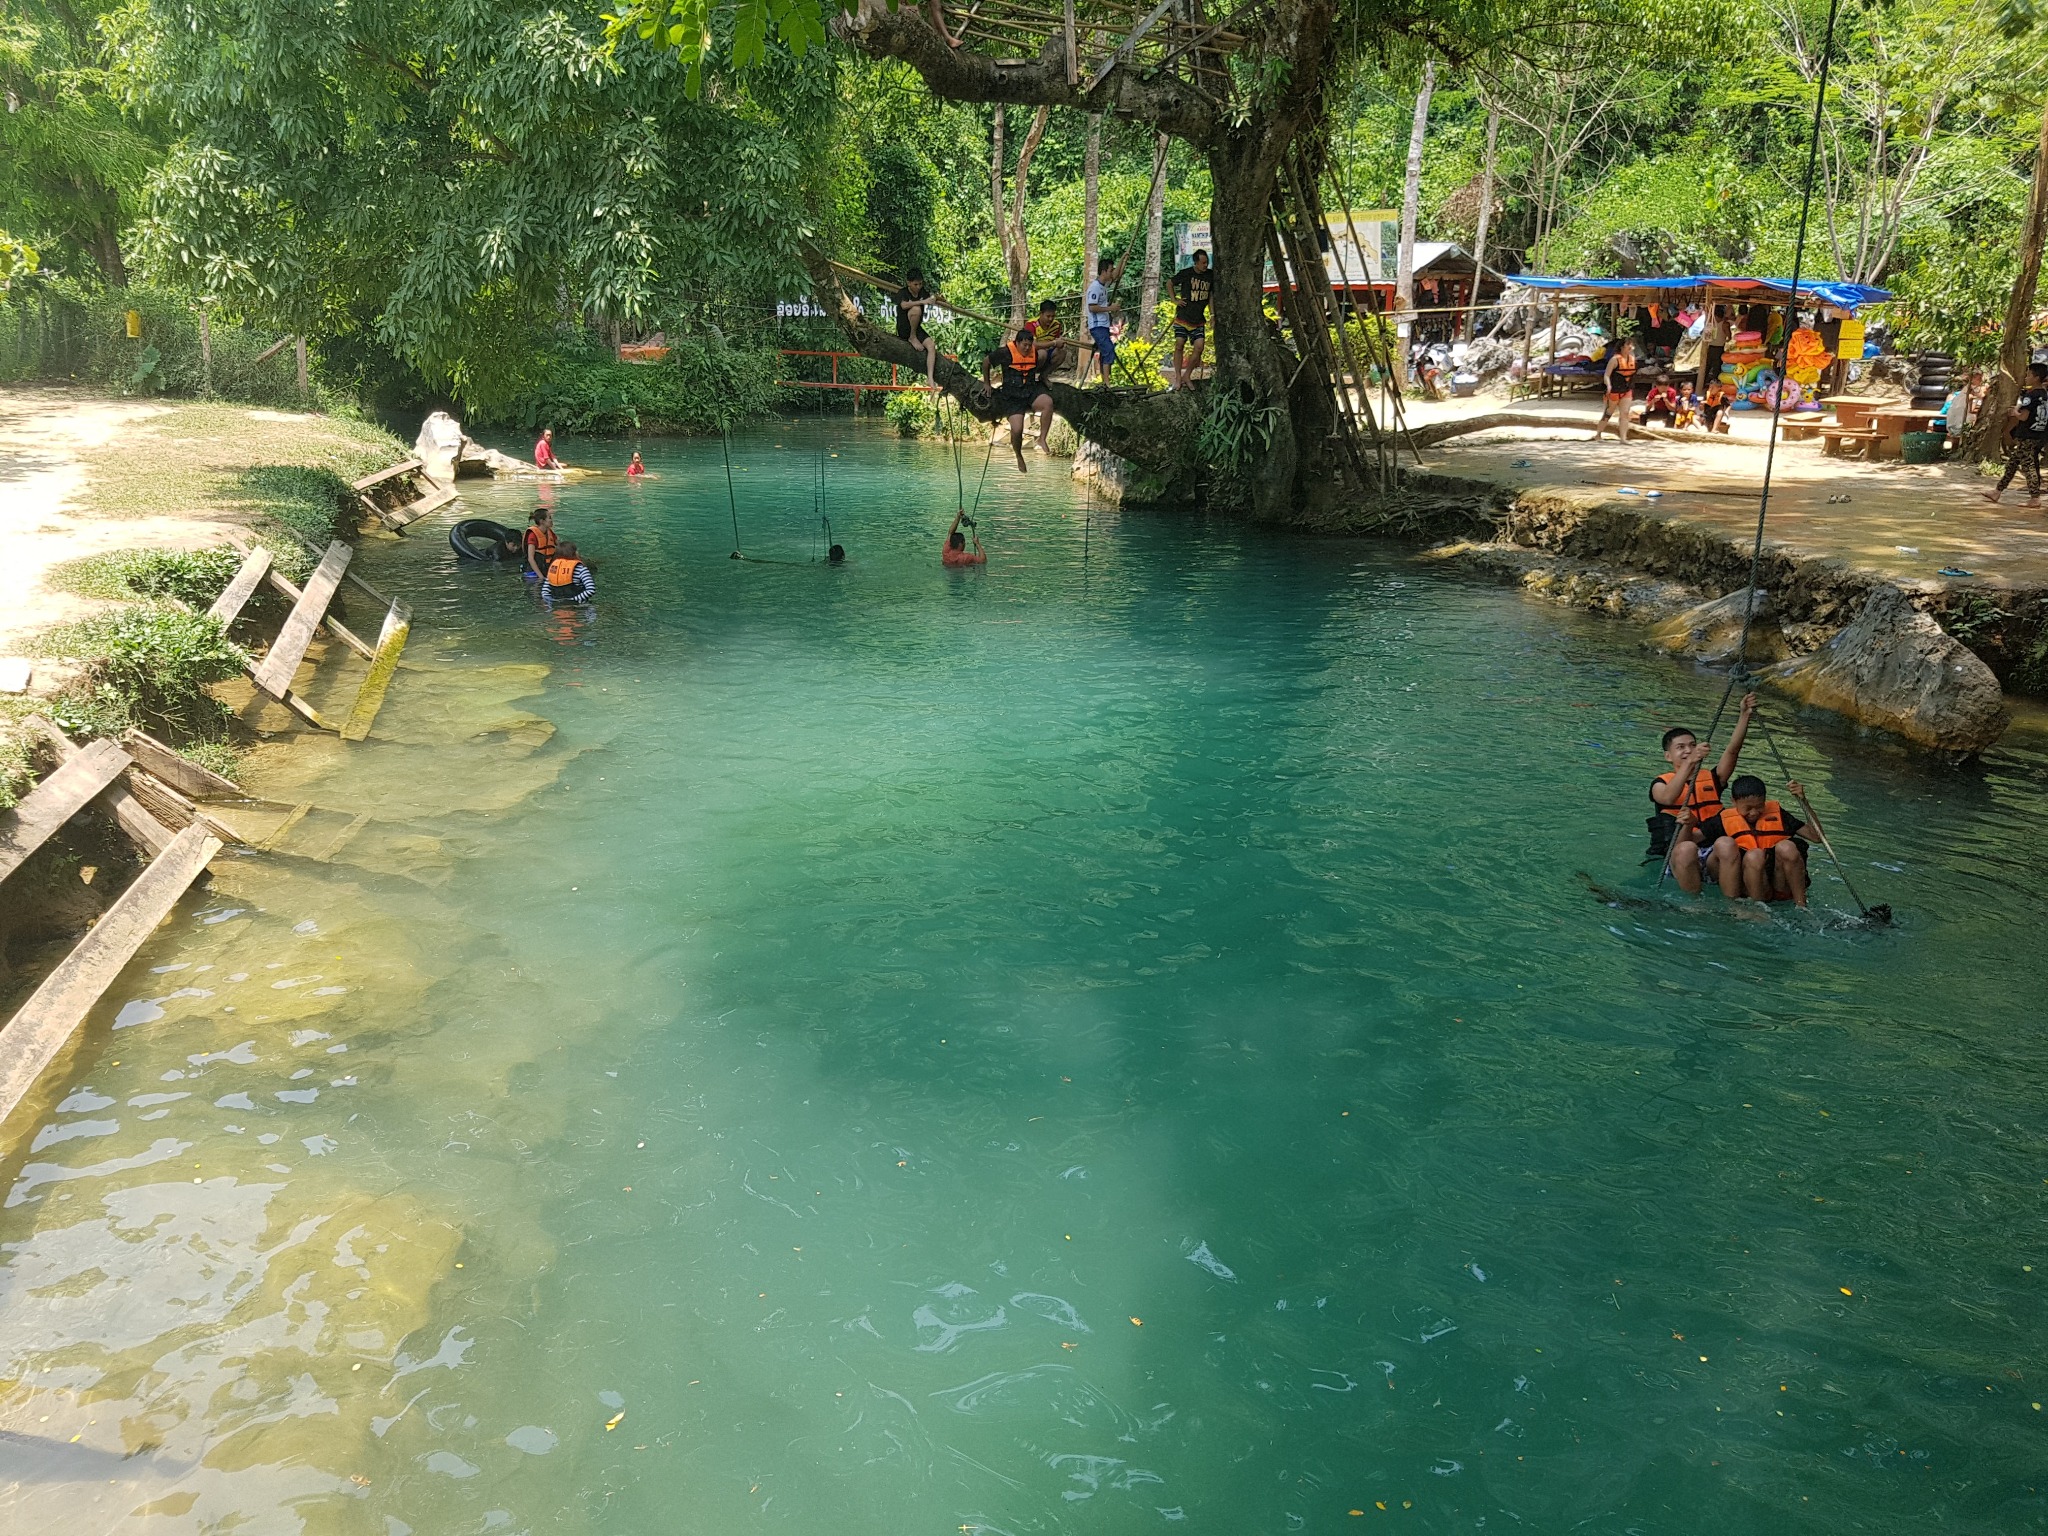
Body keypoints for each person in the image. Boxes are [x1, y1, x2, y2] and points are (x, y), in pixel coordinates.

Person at [1647, 693, 1756, 895]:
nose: (1688, 750)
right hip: (1678, 857)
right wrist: (1690, 762)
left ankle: (1733, 906)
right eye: (1681, 747)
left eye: (1692, 745)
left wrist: (1744, 715)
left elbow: (1733, 751)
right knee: (1687, 849)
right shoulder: (1660, 784)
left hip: (1712, 855)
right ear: (1668, 756)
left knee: (1726, 843)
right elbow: (1669, 798)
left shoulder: (1711, 779)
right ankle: (1694, 906)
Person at [1692, 774, 1811, 906]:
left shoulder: (1779, 815)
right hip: (1750, 885)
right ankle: (1754, 907)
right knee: (1753, 855)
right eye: (1748, 808)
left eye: (1759, 806)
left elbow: (1816, 836)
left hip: (1779, 885)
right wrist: (1687, 824)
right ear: (1734, 801)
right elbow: (1691, 839)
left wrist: (1804, 801)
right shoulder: (1722, 820)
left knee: (1787, 847)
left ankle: (1802, 905)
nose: (1754, 813)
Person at [982, 326, 1055, 472]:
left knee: (1048, 403)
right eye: (1024, 345)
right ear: (1017, 343)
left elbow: (1047, 350)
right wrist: (987, 383)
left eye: (1029, 345)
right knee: (1017, 430)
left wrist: (1056, 343)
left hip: (1030, 392)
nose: (1027, 348)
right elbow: (986, 362)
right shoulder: (1005, 353)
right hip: (1012, 397)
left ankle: (1042, 439)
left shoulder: (1035, 352)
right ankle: (1018, 455)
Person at [1985, 360, 2048, 506]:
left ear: (2036, 377)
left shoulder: (2030, 396)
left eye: (2029, 374)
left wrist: (2014, 412)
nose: (2026, 377)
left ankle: (2035, 497)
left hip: (2027, 434)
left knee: (2028, 465)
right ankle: (1997, 491)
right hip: (2039, 433)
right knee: (2013, 463)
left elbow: (2024, 416)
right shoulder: (2044, 394)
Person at [1169, 248, 1213, 391]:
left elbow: (1211, 296)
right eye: (1203, 263)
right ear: (1196, 263)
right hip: (1183, 317)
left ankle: (1187, 375)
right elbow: (1169, 283)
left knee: (1199, 347)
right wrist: (1174, 299)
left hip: (1198, 319)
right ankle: (1177, 377)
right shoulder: (1187, 273)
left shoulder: (1210, 276)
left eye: (1207, 262)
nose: (1205, 265)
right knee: (1179, 344)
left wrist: (1212, 315)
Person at [1084, 252, 1130, 386]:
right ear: (1103, 271)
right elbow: (1092, 307)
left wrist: (1122, 258)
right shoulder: (1095, 288)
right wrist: (1110, 308)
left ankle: (1105, 381)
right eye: (1110, 270)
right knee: (1109, 350)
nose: (1112, 273)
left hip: (1104, 326)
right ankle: (1106, 382)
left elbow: (1117, 275)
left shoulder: (1104, 285)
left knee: (1105, 351)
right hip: (1097, 326)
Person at [895, 269, 942, 385]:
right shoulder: (903, 293)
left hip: (917, 328)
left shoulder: (922, 293)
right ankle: (912, 337)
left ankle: (930, 377)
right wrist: (922, 302)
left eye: (920, 284)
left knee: (931, 345)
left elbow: (930, 298)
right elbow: (904, 305)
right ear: (909, 283)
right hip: (905, 328)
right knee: (916, 310)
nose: (918, 287)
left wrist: (937, 298)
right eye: (915, 284)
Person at [1593, 339, 1638, 442]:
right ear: (1622, 347)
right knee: (1608, 413)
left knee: (1625, 413)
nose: (1630, 347)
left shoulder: (1632, 359)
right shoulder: (1614, 359)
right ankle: (1598, 434)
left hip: (1626, 389)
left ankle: (1623, 438)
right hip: (1614, 390)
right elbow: (1607, 375)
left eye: (1631, 345)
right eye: (1628, 345)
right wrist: (1608, 385)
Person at [1024, 299, 1073, 376]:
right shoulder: (1031, 324)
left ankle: (1044, 376)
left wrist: (1060, 343)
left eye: (1053, 316)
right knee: (1042, 353)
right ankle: (1030, 376)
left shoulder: (1056, 325)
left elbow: (1057, 342)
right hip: (1031, 354)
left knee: (1062, 353)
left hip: (1049, 353)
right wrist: (1054, 343)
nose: (1050, 319)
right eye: (1048, 316)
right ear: (1041, 314)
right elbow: (1034, 345)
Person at [1941, 368, 1984, 447]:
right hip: (1959, 415)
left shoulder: (1972, 388)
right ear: (1973, 378)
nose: (1981, 380)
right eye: (1979, 378)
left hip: (1960, 414)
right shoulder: (1970, 388)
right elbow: (1977, 397)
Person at [522, 508, 556, 583]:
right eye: (549, 518)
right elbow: (531, 558)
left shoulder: (550, 533)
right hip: (533, 571)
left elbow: (560, 546)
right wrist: (541, 577)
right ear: (542, 521)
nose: (551, 520)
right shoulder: (533, 535)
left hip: (545, 568)